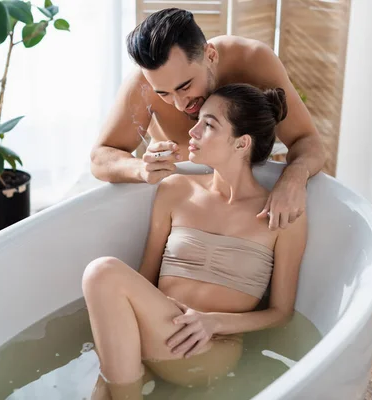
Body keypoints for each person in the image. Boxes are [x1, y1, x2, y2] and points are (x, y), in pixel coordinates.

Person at [83, 83, 308, 400]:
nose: (193, 131)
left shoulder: (281, 214)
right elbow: (146, 279)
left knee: (101, 272)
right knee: (106, 385)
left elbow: (281, 313)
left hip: (208, 349)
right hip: (155, 331)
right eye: (197, 120)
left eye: (209, 125)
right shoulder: (176, 189)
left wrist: (213, 322)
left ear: (242, 143)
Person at [90, 8, 325, 231]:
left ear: (210, 55)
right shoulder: (144, 83)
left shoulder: (252, 61)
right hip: (177, 211)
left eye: (185, 86)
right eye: (164, 94)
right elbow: (100, 157)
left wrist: (293, 178)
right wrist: (141, 168)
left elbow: (307, 141)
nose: (181, 104)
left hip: (245, 211)